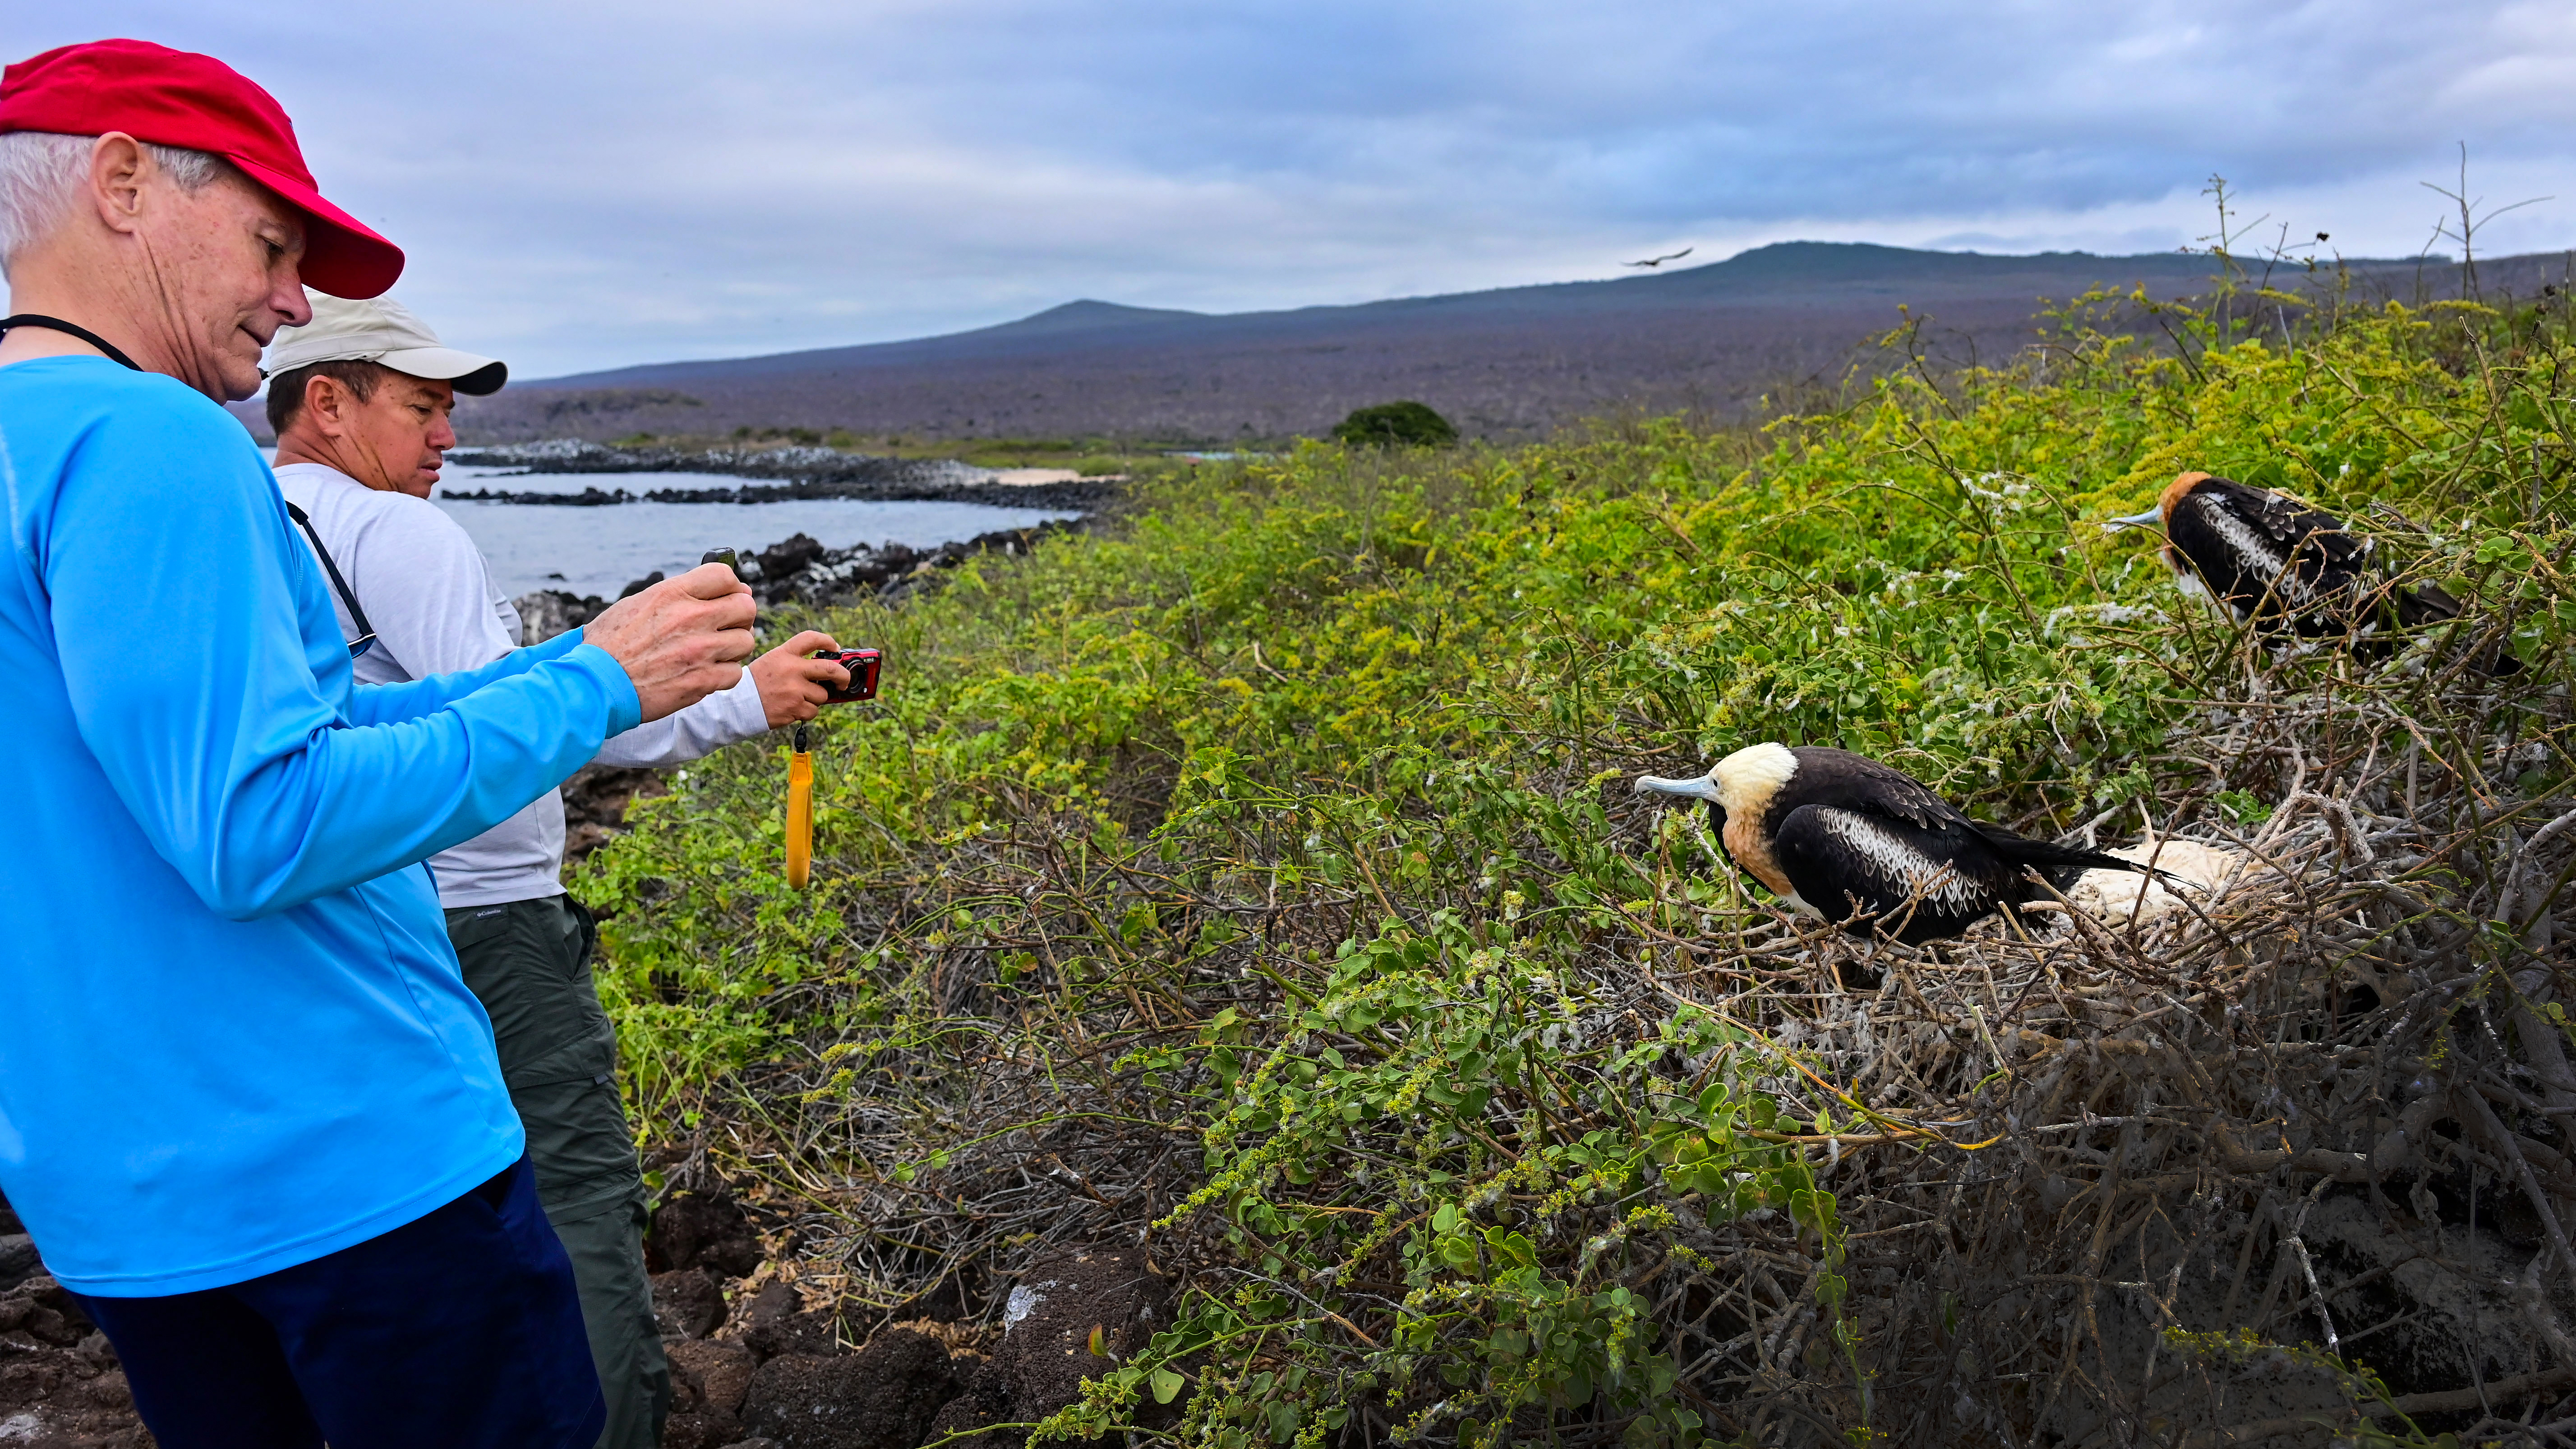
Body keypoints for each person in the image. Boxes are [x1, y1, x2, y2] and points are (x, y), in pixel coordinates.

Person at [0, 39, 756, 1449]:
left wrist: (585, 670)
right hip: (350, 1169)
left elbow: (269, 737)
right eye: (273, 244)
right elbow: (258, 819)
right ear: (119, 183)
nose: (297, 303)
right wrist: (584, 689)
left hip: (124, 1203)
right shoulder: (153, 438)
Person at [262, 289, 854, 1449]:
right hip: (485, 927)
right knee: (573, 1191)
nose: (447, 434)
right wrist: (745, 698)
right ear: (327, 403)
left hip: (325, 929)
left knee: (389, 1219)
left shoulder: (238, 525)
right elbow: (544, 723)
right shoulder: (404, 534)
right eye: (423, 407)